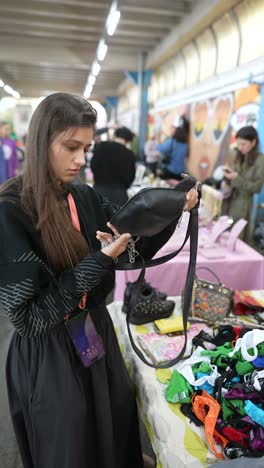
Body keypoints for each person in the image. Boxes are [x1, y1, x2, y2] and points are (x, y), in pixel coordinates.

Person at [0, 92, 198, 468]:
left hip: (89, 330)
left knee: (109, 413)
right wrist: (98, 261)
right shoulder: (11, 212)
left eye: (86, 149)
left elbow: (131, 247)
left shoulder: (84, 197)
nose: (80, 160)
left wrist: (173, 207)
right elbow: (28, 318)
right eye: (71, 147)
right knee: (69, 442)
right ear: (42, 143)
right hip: (49, 351)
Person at [221, 125, 264, 242]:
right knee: (224, 237)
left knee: (237, 239)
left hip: (243, 207)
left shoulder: (260, 160)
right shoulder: (240, 156)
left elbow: (257, 188)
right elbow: (234, 177)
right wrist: (227, 180)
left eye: (243, 144)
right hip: (229, 203)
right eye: (238, 144)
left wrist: (236, 178)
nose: (240, 147)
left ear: (253, 142)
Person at [91, 126, 136, 206]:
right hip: (119, 194)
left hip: (98, 190)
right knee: (117, 217)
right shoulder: (129, 154)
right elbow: (131, 177)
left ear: (115, 136)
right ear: (128, 140)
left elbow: (93, 165)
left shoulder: (101, 146)